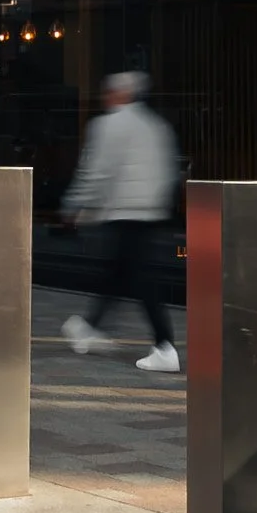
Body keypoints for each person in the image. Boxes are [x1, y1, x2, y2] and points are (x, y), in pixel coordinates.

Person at [60, 71, 182, 372]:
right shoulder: (156, 125)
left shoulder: (107, 124)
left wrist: (75, 203)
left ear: (118, 94)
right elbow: (169, 170)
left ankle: (165, 345)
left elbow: (97, 170)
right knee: (120, 272)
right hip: (149, 212)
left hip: (122, 211)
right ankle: (90, 326)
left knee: (137, 277)